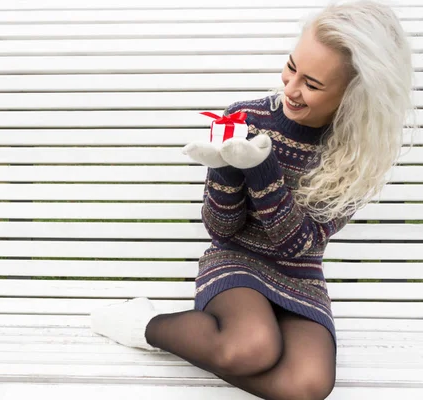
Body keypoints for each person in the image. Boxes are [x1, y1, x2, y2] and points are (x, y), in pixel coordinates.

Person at [90, 1, 415, 399]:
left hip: (298, 272)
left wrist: (263, 169)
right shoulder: (245, 117)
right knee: (252, 348)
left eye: (312, 85)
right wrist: (225, 167)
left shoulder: (356, 156)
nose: (291, 89)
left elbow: (302, 245)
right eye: (292, 67)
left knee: (309, 385)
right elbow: (221, 229)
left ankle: (197, 338)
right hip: (236, 258)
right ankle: (148, 326)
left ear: (355, 94)